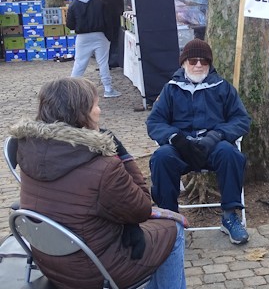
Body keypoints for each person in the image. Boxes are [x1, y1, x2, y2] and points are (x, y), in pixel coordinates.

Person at [8, 77, 186, 289]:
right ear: (81, 114)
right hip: (94, 269)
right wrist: (123, 154)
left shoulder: (28, 148)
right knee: (173, 229)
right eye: (96, 105)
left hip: (49, 260)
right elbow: (142, 208)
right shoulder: (103, 166)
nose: (100, 110)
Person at [146, 38, 251, 244]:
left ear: (210, 64)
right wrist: (175, 138)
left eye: (204, 61)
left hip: (212, 147)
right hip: (181, 149)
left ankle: (230, 216)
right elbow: (155, 121)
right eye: (193, 61)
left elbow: (241, 119)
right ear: (184, 63)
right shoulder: (171, 89)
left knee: (230, 154)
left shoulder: (223, 87)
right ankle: (170, 220)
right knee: (161, 157)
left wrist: (217, 135)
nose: (198, 65)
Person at [67, 0, 121, 98]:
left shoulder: (73, 5)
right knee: (103, 63)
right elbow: (108, 21)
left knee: (79, 63)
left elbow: (70, 24)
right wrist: (109, 37)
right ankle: (108, 88)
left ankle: (71, 90)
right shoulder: (100, 3)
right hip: (100, 36)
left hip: (82, 37)